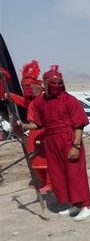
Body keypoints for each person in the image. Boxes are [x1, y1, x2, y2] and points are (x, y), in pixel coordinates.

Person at [23, 65, 90, 221]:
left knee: (75, 173)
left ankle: (87, 206)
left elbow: (79, 124)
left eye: (59, 82)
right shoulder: (40, 102)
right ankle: (74, 204)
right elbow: (38, 124)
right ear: (45, 83)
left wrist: (76, 145)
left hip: (69, 139)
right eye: (53, 82)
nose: (57, 85)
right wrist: (22, 126)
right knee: (60, 174)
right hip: (51, 141)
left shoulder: (70, 100)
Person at [1, 60, 52, 193]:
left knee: (44, 157)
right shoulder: (32, 100)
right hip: (34, 130)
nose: (26, 88)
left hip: (44, 131)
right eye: (24, 85)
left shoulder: (44, 98)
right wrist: (10, 96)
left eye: (28, 85)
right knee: (33, 155)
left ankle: (50, 182)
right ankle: (41, 180)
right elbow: (24, 102)